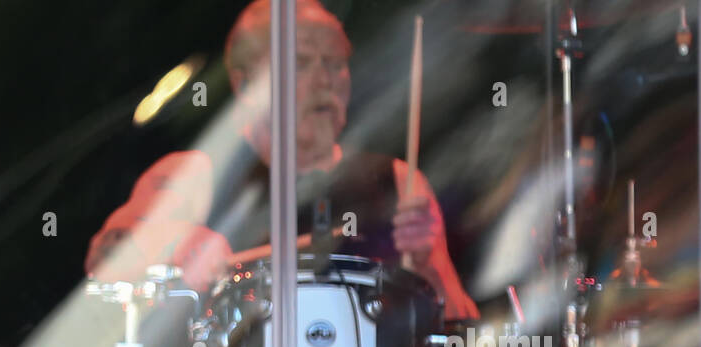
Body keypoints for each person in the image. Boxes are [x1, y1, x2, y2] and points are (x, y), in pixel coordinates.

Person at [85, 0, 478, 321]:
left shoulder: (392, 179)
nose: (326, 80)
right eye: (301, 63)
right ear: (245, 84)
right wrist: (174, 245)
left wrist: (427, 264)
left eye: (335, 63)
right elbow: (108, 266)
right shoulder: (192, 177)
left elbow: (459, 326)